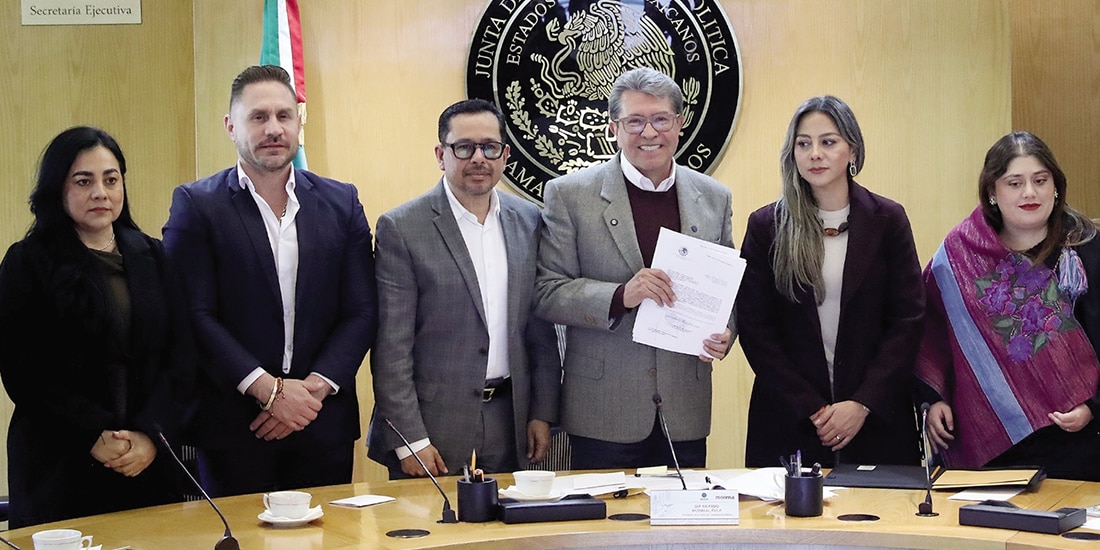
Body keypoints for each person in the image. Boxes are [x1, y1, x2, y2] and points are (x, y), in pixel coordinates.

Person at [162, 65, 377, 496]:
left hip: (321, 421)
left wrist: (308, 393)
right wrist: (270, 391)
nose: (273, 128)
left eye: (284, 115)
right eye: (258, 117)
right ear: (231, 126)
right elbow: (194, 314)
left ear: (299, 121)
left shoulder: (342, 201)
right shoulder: (197, 205)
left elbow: (362, 310)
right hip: (234, 426)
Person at [535, 67, 734, 470]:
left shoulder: (714, 197)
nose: (649, 132)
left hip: (685, 407)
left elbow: (727, 286)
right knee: (605, 529)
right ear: (614, 128)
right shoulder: (569, 195)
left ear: (679, 124)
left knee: (685, 526)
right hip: (603, 410)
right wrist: (620, 295)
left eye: (660, 119)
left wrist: (725, 332)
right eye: (635, 121)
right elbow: (547, 292)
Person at [0, 127, 189, 528]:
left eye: (111, 179)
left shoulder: (154, 256)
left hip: (146, 463)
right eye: (83, 181)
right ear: (57, 189)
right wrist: (92, 435)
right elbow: (24, 371)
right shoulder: (27, 262)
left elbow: (180, 360)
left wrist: (149, 437)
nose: (100, 192)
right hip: (59, 462)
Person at [366, 99, 561, 479]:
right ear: (441, 155)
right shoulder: (402, 228)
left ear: (504, 155)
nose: (478, 158)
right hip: (432, 428)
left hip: (512, 419)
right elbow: (391, 348)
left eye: (490, 147)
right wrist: (410, 439)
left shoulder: (529, 220)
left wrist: (542, 412)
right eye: (463, 147)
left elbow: (540, 328)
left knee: (510, 537)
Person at [738, 96, 924, 468]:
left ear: (851, 149)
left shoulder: (888, 219)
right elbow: (756, 329)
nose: (815, 154)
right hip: (790, 417)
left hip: (876, 416)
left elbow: (907, 321)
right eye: (803, 143)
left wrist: (862, 403)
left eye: (828, 141)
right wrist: (815, 409)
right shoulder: (766, 226)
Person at [916, 131, 1100, 480]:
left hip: (1078, 442)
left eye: (1040, 181)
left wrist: (1093, 408)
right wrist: (933, 398)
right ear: (992, 193)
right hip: (991, 447)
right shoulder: (958, 255)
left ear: (1056, 187)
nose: (1029, 193)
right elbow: (928, 333)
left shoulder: (1087, 248)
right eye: (1014, 183)